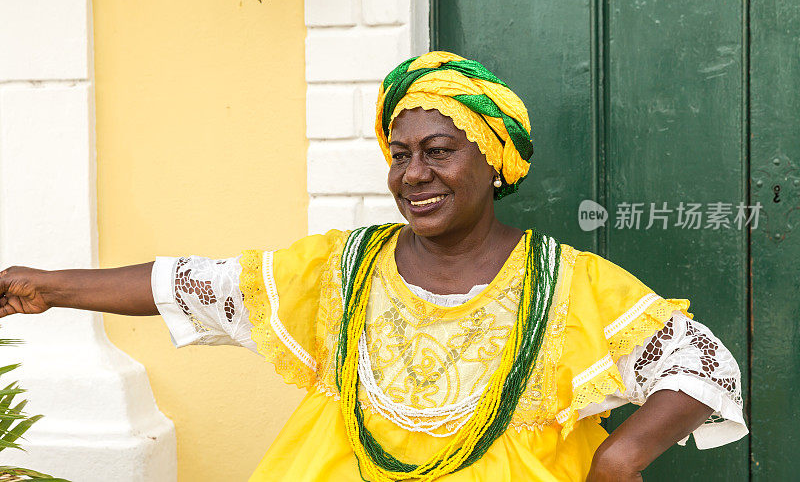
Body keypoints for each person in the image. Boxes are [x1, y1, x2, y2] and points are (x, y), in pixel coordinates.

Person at [0, 51, 746, 481]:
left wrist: (622, 454)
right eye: (400, 153)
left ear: (494, 163)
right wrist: (45, 287)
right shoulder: (342, 268)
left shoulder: (568, 282)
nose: (412, 173)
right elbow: (201, 284)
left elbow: (700, 364)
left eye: (438, 151)